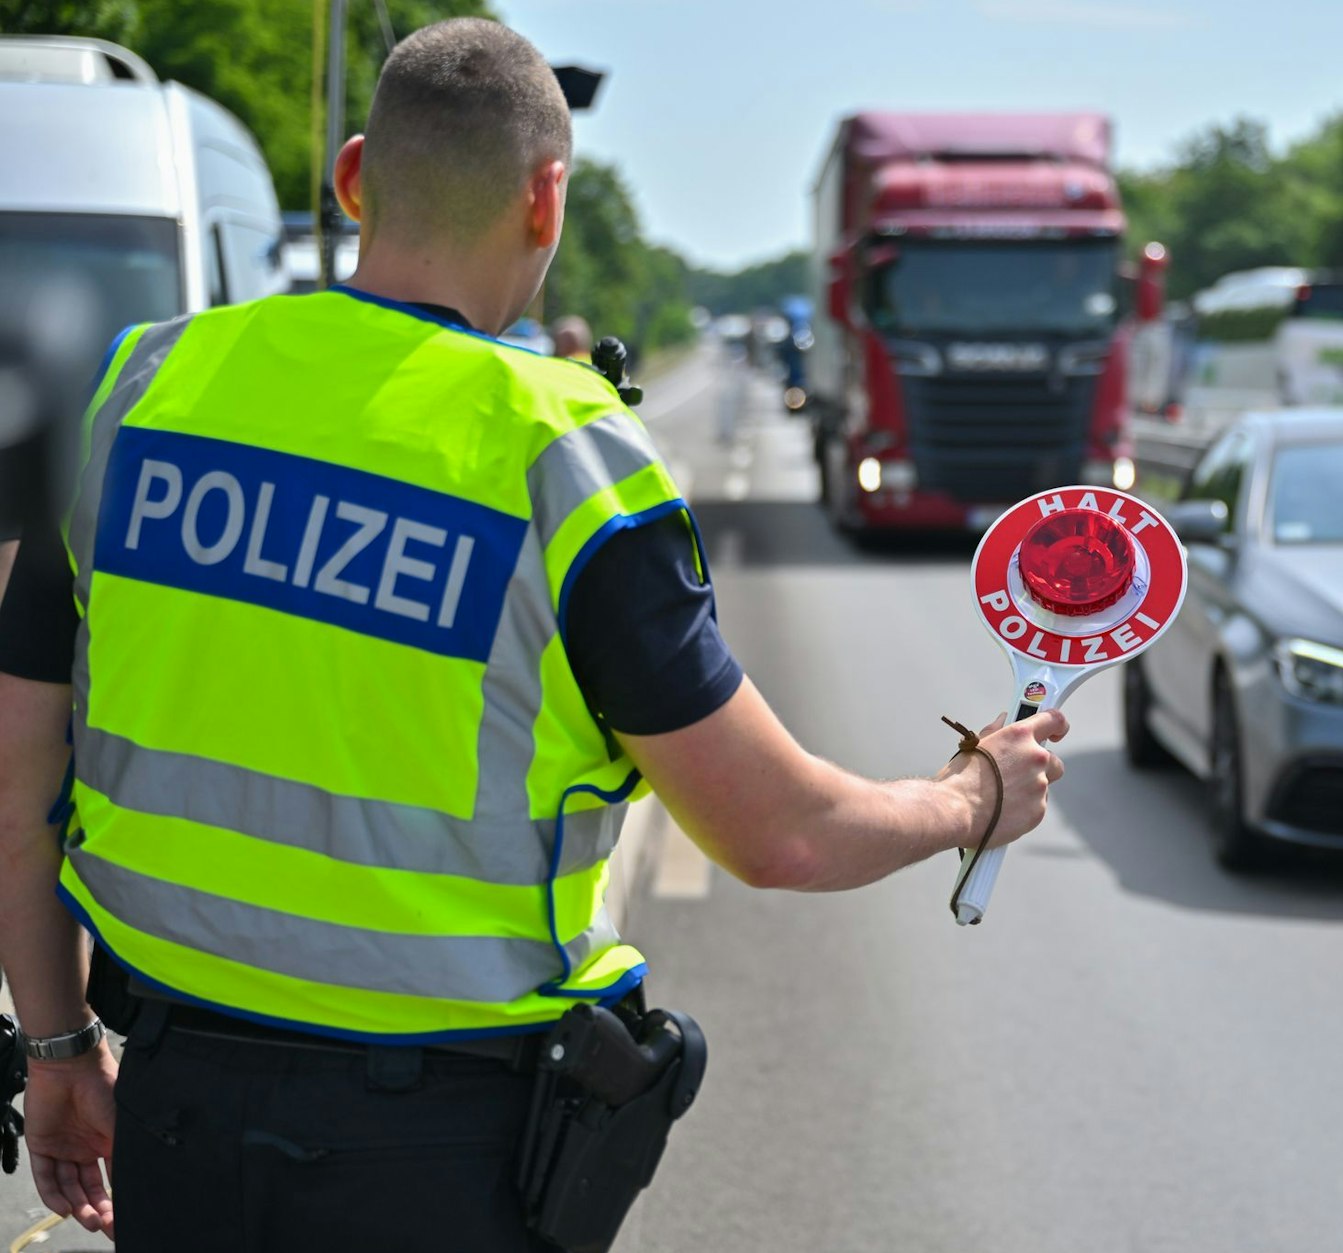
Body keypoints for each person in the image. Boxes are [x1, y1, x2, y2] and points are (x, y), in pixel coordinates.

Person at [0, 18, 1066, 1252]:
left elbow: (18, 785)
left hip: (177, 1113)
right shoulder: (563, 456)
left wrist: (57, 1040)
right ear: (546, 197)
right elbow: (781, 833)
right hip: (436, 1152)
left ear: (354, 176)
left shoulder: (139, 390)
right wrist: (973, 793)